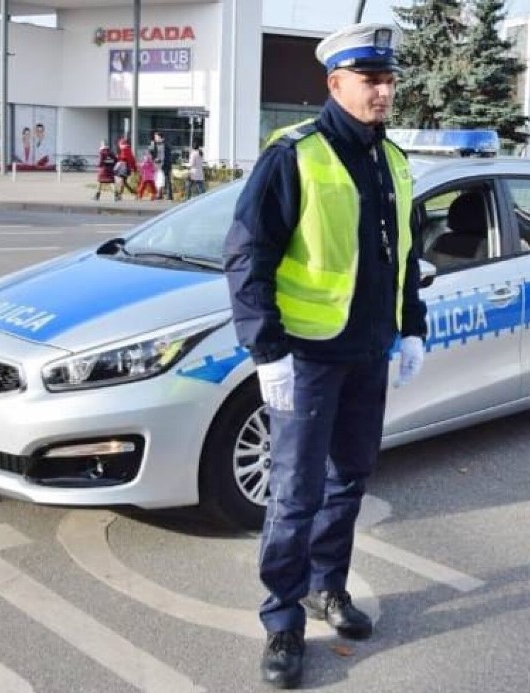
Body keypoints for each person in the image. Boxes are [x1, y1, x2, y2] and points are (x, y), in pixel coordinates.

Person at [223, 22, 427, 690]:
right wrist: (268, 348)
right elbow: (248, 253)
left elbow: (404, 256)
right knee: (294, 493)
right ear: (335, 83)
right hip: (306, 357)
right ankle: (282, 621)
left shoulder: (392, 159)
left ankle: (325, 586)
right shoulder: (295, 152)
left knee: (349, 481)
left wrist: (412, 326)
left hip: (368, 350)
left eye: (389, 79)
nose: (383, 91)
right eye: (370, 79)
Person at [152, 131, 173, 200]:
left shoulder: (163, 145)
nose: (155, 139)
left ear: (161, 138)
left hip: (164, 165)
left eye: (156, 137)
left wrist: (158, 160)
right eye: (155, 137)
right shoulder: (159, 145)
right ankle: (160, 195)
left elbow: (163, 156)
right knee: (160, 179)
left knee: (166, 180)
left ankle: (168, 196)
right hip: (162, 165)